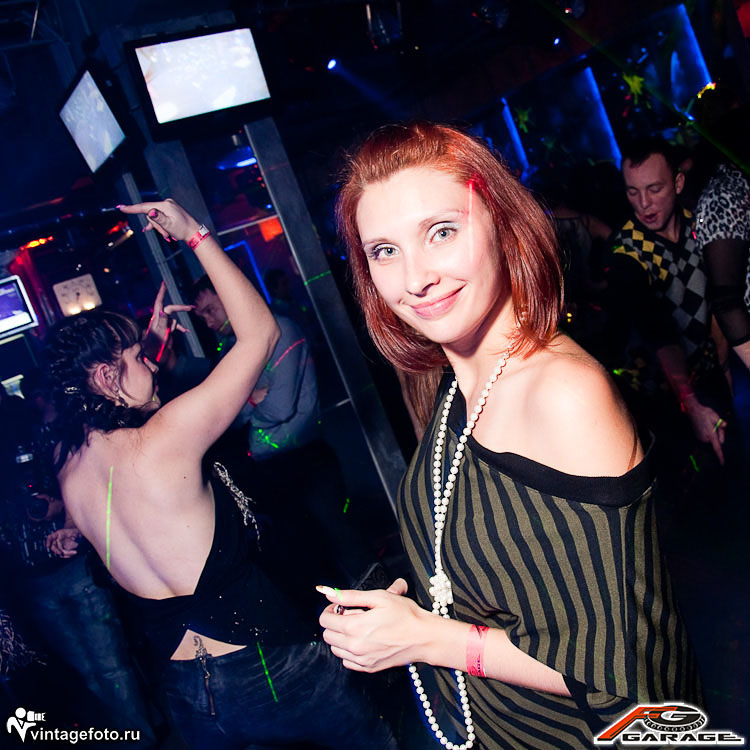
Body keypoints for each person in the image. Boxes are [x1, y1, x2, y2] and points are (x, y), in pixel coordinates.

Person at [318, 122, 700, 750]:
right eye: (384, 250)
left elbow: (636, 680)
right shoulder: (452, 385)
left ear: (501, 222)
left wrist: (427, 639)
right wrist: (397, 618)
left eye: (442, 232)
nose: (415, 278)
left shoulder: (562, 394)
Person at [45, 199, 397, 750]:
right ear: (108, 378)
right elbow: (260, 334)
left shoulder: (68, 462)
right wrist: (194, 234)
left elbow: (121, 417)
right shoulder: (163, 440)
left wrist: (141, 346)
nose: (153, 362)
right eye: (139, 356)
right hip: (269, 665)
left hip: (188, 690)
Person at [604, 136, 731, 466]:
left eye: (654, 189)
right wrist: (691, 404)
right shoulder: (626, 254)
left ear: (677, 183)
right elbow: (658, 331)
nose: (644, 203)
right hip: (657, 396)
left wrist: (723, 368)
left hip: (707, 377)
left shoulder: (697, 223)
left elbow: (719, 297)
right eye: (633, 192)